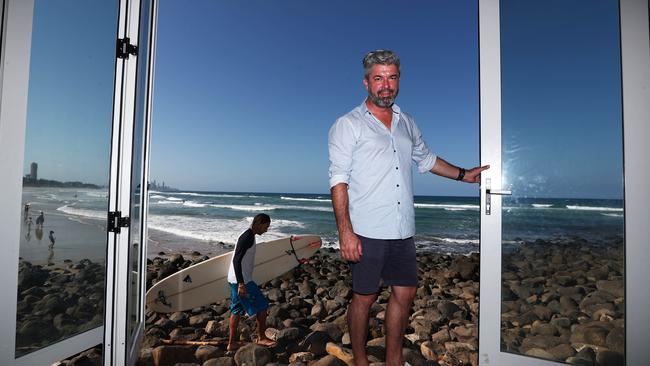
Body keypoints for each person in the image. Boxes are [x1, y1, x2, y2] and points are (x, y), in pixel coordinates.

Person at [328, 49, 488, 366]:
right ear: (366, 83)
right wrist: (346, 233)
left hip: (403, 229)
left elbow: (427, 160)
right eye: (378, 78)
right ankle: (360, 360)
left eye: (392, 77)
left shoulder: (407, 123)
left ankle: (393, 360)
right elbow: (339, 181)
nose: (386, 85)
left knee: (405, 294)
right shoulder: (348, 125)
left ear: (398, 80)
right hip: (367, 229)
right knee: (364, 297)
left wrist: (462, 175)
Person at [226, 213, 277, 352]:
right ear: (259, 223)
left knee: (236, 310)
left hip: (235, 279)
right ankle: (261, 337)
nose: (266, 230)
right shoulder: (247, 237)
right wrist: (241, 284)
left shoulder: (249, 235)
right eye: (266, 227)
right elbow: (236, 260)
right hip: (242, 281)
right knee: (262, 306)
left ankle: (232, 343)